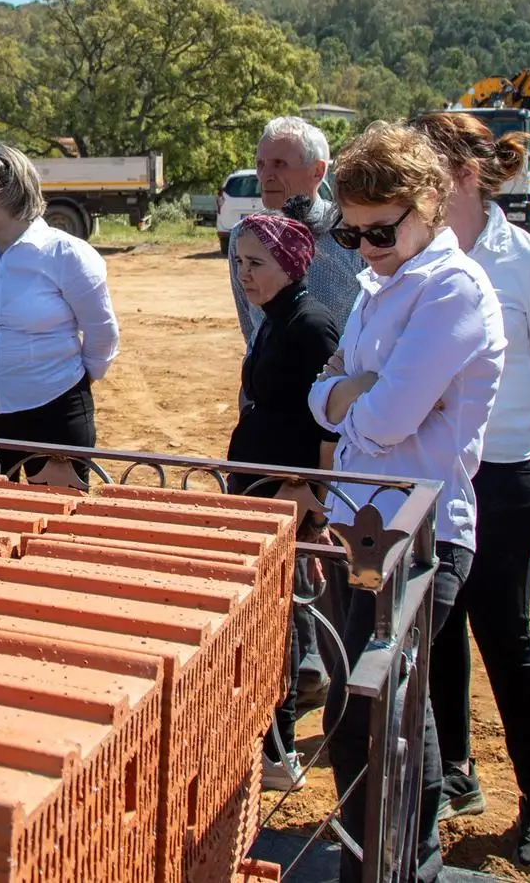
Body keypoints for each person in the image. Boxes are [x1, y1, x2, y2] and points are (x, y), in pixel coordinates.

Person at [309, 121, 506, 883]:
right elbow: (323, 399)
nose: (362, 249)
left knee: (380, 710)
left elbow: (380, 418)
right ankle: (378, 856)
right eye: (349, 233)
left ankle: (402, 862)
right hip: (364, 523)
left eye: (379, 231)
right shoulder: (381, 283)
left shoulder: (451, 288)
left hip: (421, 533)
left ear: (429, 202)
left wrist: (348, 392)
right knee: (364, 710)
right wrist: (352, 394)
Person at [412, 110, 530, 877]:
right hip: (432, 476)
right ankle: (456, 770)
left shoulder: (529, 264)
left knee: (503, 632)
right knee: (439, 627)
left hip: (505, 475)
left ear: (466, 173)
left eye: (426, 166)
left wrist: (510, 439)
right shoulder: (409, 258)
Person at [224, 210, 342, 791]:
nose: (245, 274)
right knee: (268, 615)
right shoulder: (273, 318)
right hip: (259, 489)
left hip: (286, 497)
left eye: (257, 264)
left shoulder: (310, 325)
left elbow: (328, 425)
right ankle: (269, 743)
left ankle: (282, 751)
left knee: (283, 621)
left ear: (291, 266)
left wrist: (313, 496)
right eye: (240, 262)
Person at [0, 144, 119, 485]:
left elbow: (102, 332)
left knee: (55, 524)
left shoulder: (67, 254)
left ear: (14, 189)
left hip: (53, 411)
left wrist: (77, 382)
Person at [231, 117, 364, 348]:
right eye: (260, 164)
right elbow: (250, 325)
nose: (265, 175)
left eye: (280, 164)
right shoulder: (243, 236)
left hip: (335, 380)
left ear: (318, 171)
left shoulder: (350, 234)